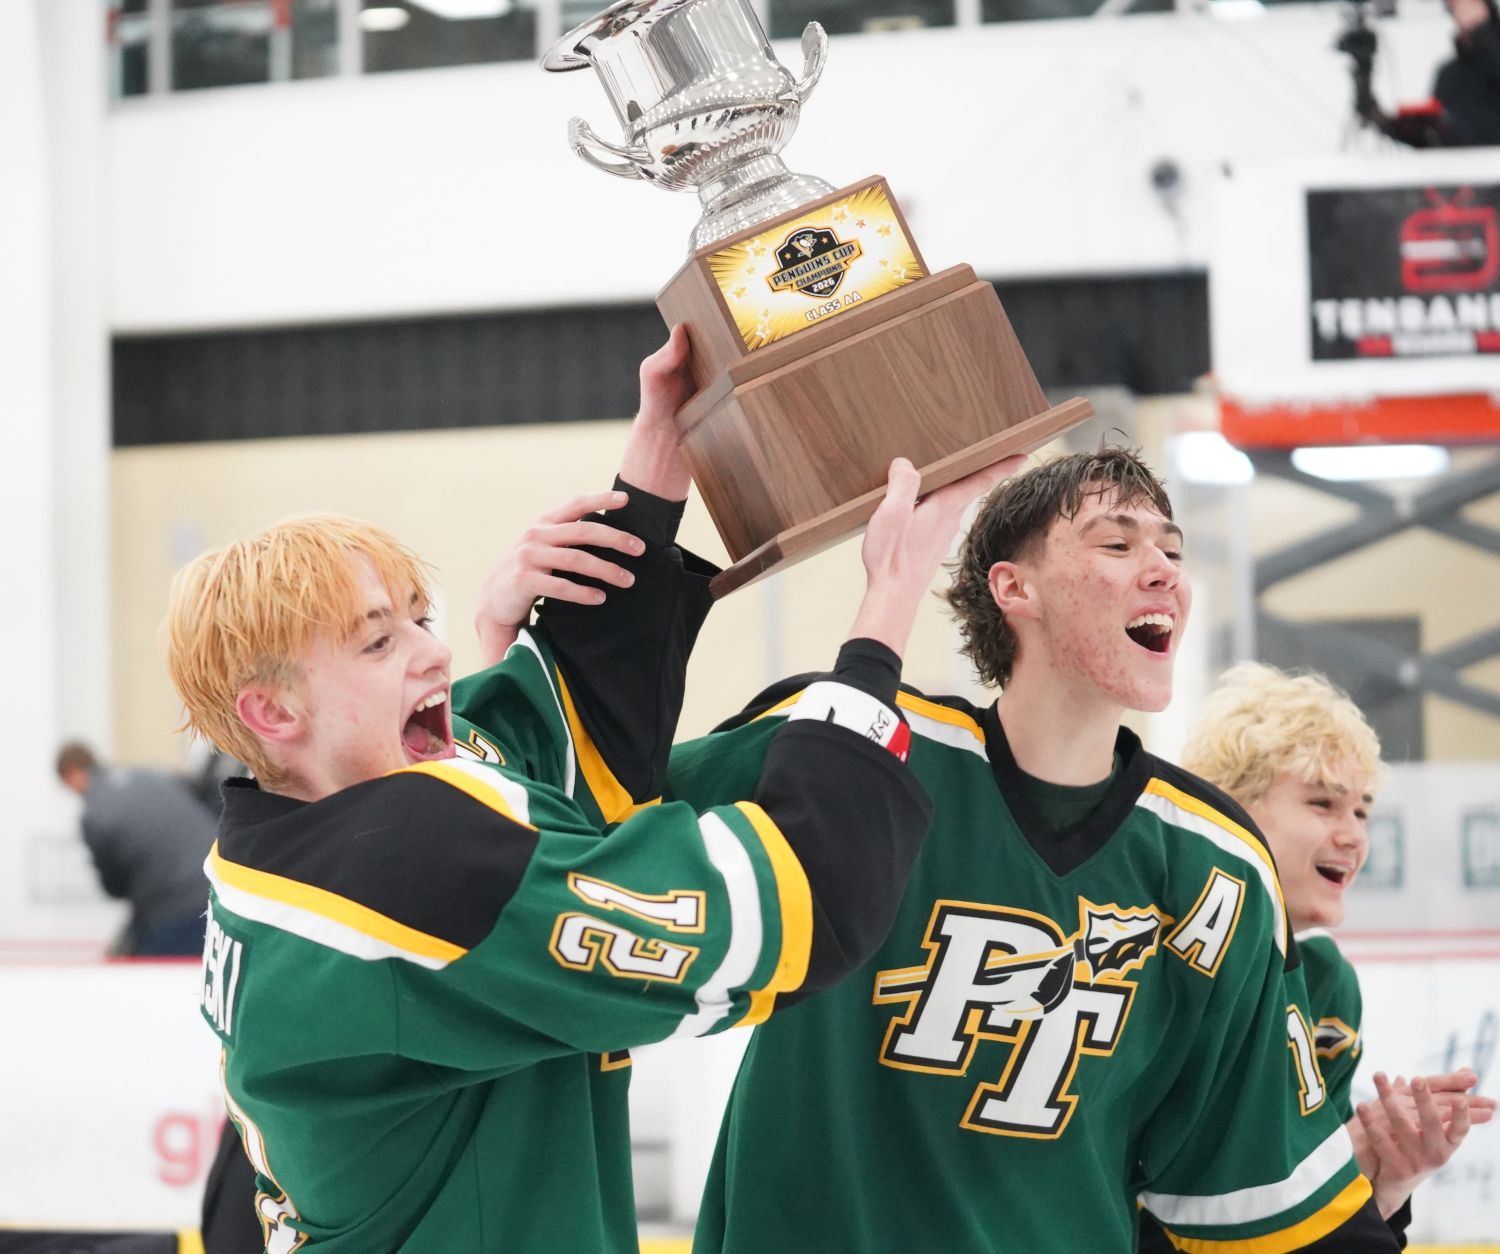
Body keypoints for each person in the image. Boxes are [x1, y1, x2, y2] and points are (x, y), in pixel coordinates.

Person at [170, 325, 1018, 1251]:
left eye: (422, 619)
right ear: (272, 715)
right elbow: (806, 899)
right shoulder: (394, 880)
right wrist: (885, 605)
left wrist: (662, 450)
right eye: (380, 643)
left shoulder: (303, 827)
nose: (437, 653)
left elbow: (559, 732)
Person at [666, 447, 1398, 1252]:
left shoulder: (1215, 867)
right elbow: (581, 814)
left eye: (1173, 551)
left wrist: (1390, 1190)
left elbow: (1257, 1189)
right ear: (1015, 588)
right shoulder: (858, 745)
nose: (1163, 571)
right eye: (1117, 545)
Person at [1132, 662, 1495, 1247]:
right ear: (1231, 810)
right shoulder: (1156, 957)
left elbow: (1311, 1231)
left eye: (1362, 811)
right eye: (1323, 804)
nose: (1354, 835)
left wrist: (1388, 1179)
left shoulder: (1327, 984)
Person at [56, 741, 219, 957]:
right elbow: (207, 794)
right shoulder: (149, 775)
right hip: (221, 890)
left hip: (176, 911)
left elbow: (114, 886)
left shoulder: (95, 814)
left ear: (72, 774)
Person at [1432, 0, 1500, 147]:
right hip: (1459, 163)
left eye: (1470, 4)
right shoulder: (1448, 74)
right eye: (1455, 7)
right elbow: (1438, 130)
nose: (1463, 12)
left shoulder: (1492, 58)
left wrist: (1482, 32)